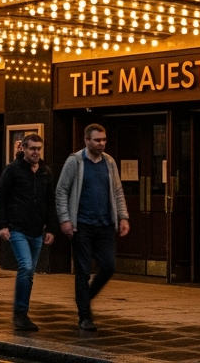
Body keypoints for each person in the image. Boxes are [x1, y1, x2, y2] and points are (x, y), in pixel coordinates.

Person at [54, 123, 129, 332]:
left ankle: (84, 298)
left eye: (104, 140)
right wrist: (65, 220)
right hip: (82, 226)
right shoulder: (75, 161)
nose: (102, 144)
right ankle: (85, 317)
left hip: (105, 224)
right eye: (97, 140)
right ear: (87, 140)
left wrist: (123, 217)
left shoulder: (109, 162)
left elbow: (118, 191)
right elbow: (61, 191)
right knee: (83, 272)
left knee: (108, 266)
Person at [0, 133, 58, 331]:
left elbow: (50, 203)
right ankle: (19, 313)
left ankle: (22, 313)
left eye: (39, 149)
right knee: (26, 267)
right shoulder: (13, 170)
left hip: (37, 230)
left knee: (29, 273)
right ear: (23, 149)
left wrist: (51, 228)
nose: (36, 152)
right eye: (32, 149)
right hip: (17, 228)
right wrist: (3, 225)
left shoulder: (46, 172)